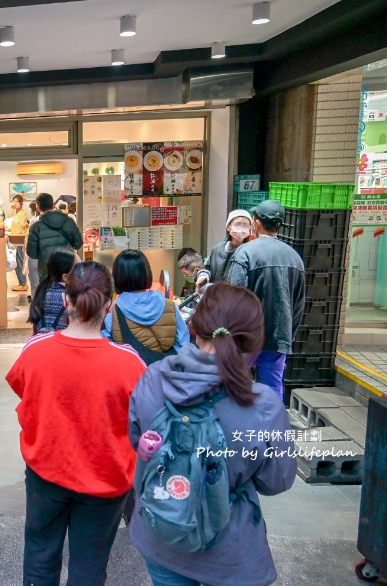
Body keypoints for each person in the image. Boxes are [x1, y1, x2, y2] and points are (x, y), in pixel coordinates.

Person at [128, 282, 296, 586]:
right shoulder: (263, 405)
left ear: (195, 326)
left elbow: (138, 440)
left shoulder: (153, 376)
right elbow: (276, 481)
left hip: (161, 528)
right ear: (255, 341)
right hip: (228, 552)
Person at [6, 261, 147, 586]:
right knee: (89, 565)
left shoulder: (35, 350)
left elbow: (20, 387)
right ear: (110, 305)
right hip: (106, 480)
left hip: (46, 472)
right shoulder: (129, 363)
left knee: (41, 555)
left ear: (66, 301)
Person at [227, 200, 305, 398]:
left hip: (247, 336)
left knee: (238, 386)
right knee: (272, 390)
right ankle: (271, 426)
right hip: (279, 337)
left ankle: (241, 427)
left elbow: (234, 298)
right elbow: (298, 304)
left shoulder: (245, 253)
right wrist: (288, 334)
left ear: (257, 222)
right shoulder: (295, 257)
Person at [103, 250, 189, 361]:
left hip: (132, 375)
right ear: (147, 273)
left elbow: (107, 348)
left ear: (117, 277)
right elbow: (183, 345)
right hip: (165, 373)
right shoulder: (170, 306)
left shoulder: (114, 312)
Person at [26, 192, 83, 284]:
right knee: (68, 294)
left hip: (46, 270)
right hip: (67, 267)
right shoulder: (69, 221)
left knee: (48, 295)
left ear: (38, 208)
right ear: (53, 205)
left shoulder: (35, 227)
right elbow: (78, 244)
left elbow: (32, 254)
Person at [27, 247, 80, 334]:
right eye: (78, 268)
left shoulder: (42, 292)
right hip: (62, 344)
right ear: (65, 277)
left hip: (42, 344)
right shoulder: (72, 298)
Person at [208, 209, 253, 281]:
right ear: (228, 227)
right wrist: (203, 274)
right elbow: (208, 268)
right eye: (238, 224)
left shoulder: (251, 252)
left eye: (245, 225)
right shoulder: (217, 249)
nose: (241, 228)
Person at [8, 194, 30, 291]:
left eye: (17, 202)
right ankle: (21, 282)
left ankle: (23, 283)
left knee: (19, 261)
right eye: (14, 201)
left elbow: (16, 224)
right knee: (17, 261)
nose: (15, 204)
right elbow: (9, 220)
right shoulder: (15, 212)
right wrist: (12, 209)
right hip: (15, 239)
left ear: (21, 203)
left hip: (20, 240)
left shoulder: (22, 213)